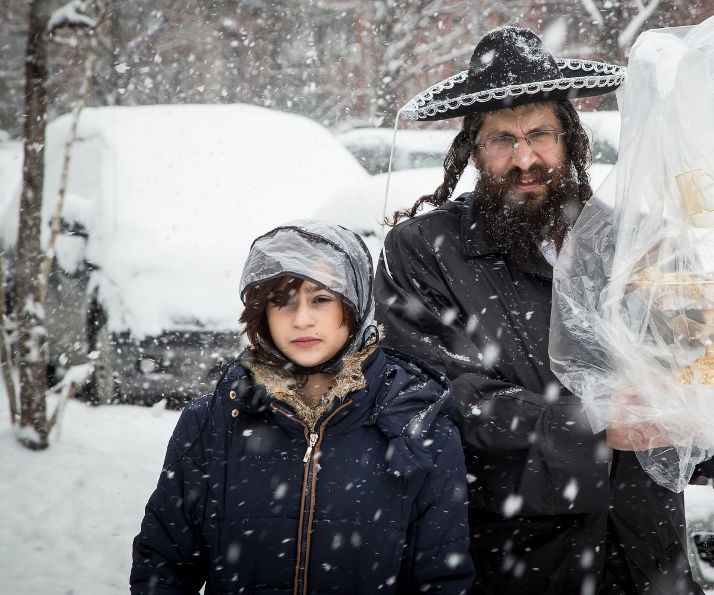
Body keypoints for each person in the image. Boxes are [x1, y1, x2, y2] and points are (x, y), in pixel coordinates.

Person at [373, 28, 714, 594]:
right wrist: (592, 424)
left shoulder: (639, 245)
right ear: (472, 148)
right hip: (512, 562)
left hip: (645, 558)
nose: (525, 158)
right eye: (501, 140)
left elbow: (710, 386)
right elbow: (433, 397)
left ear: (569, 138)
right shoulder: (425, 250)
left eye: (540, 134)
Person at [131, 220, 473, 595]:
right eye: (282, 300)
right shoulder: (213, 420)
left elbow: (442, 580)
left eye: (321, 298)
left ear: (356, 302)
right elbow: (162, 567)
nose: (301, 319)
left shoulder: (417, 423)